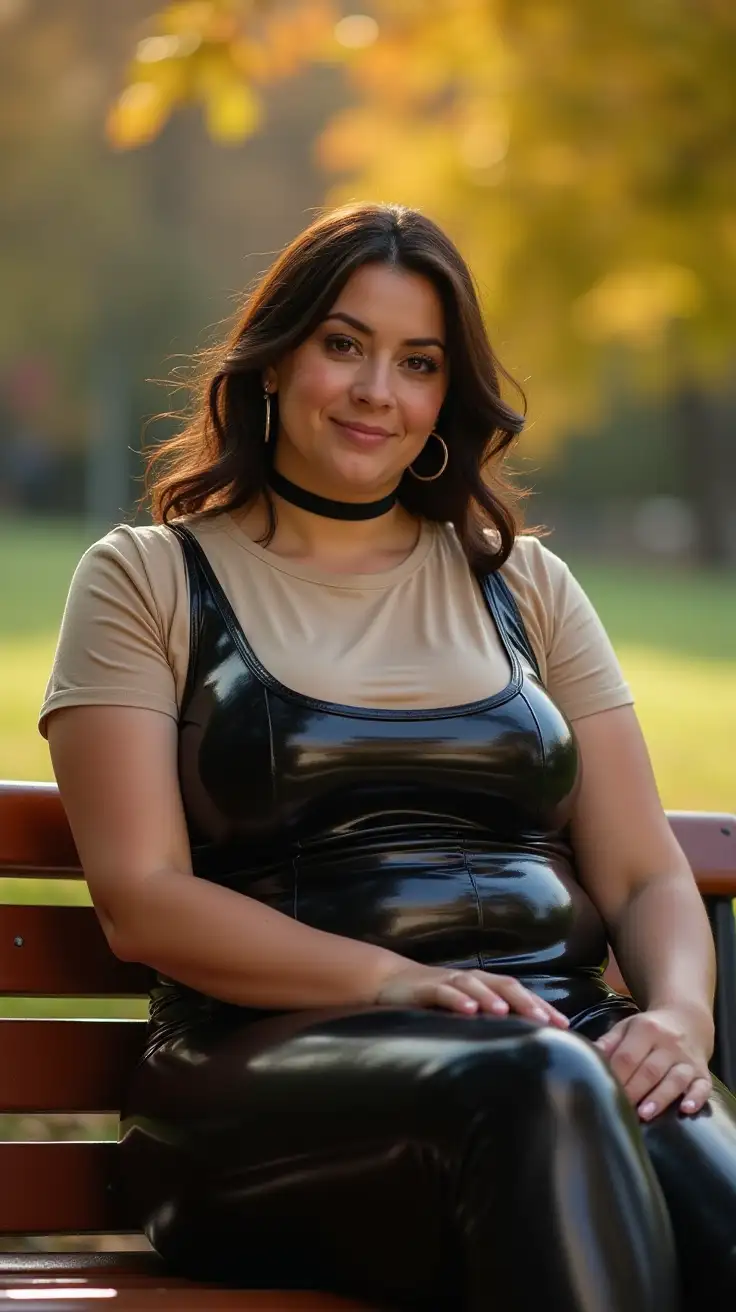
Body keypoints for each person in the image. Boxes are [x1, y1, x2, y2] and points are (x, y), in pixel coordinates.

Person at [40, 202, 736, 1312]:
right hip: (264, 1076)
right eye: (344, 345)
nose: (376, 391)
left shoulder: (524, 586)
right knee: (544, 1090)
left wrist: (678, 1024)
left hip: (559, 1050)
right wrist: (395, 979)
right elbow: (144, 900)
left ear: (443, 401)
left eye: (417, 363)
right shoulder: (147, 579)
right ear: (273, 362)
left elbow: (646, 870)